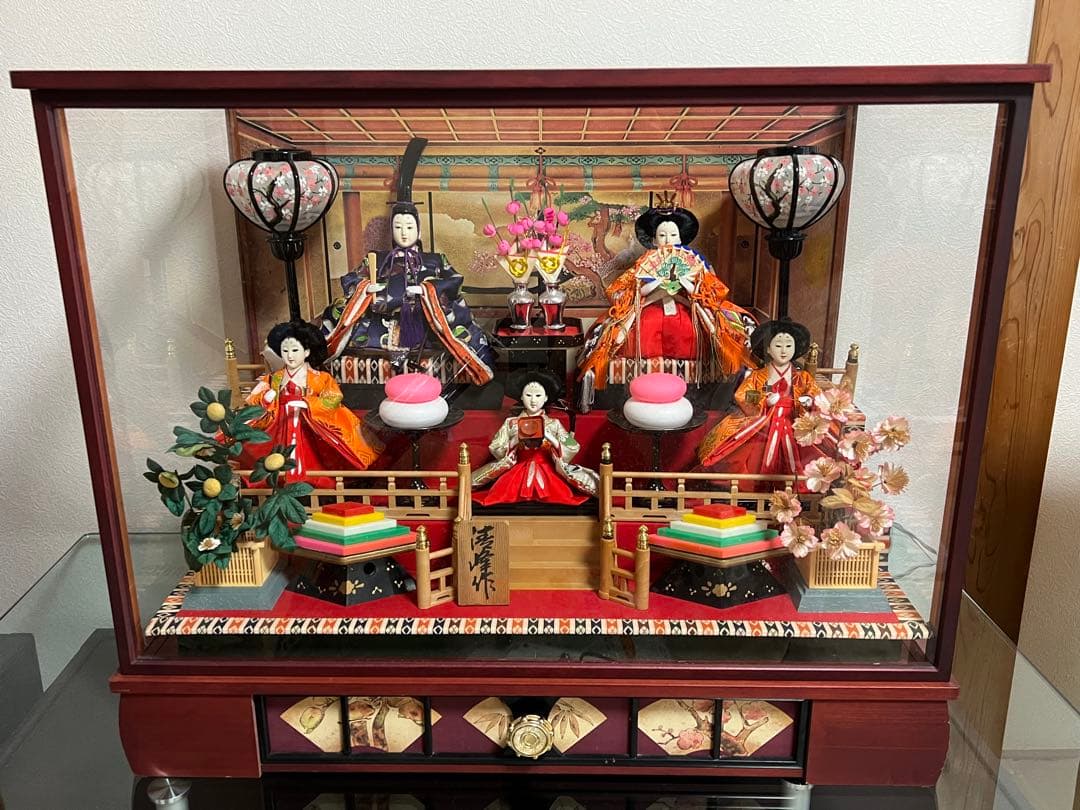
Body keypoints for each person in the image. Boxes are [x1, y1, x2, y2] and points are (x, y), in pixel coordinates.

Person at [321, 138, 495, 386]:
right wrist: (364, 288)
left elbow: (454, 281)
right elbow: (352, 280)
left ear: (419, 230)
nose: (404, 233)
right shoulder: (377, 259)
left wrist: (428, 290)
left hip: (425, 324)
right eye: (398, 227)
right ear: (391, 230)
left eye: (409, 227)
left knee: (458, 323)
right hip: (380, 325)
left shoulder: (434, 259)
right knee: (339, 313)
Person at [576, 196, 752, 410]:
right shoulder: (646, 261)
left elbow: (711, 290)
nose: (668, 239)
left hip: (688, 305)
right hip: (650, 304)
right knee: (621, 332)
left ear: (681, 237)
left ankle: (710, 397)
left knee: (713, 329)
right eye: (662, 235)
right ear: (654, 239)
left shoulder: (694, 259)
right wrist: (656, 283)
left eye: (673, 235)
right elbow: (633, 290)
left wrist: (686, 282)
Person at [697, 319, 830, 487]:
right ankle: (753, 484)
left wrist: (808, 401)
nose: (783, 351)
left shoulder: (802, 377)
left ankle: (796, 485)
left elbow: (816, 395)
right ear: (768, 348)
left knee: (804, 452)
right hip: (763, 421)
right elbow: (744, 394)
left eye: (789, 346)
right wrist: (763, 400)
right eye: (778, 345)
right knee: (743, 448)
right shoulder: (758, 376)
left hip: (793, 420)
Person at [245, 320, 383, 481]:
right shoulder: (274, 378)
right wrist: (266, 398)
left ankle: (316, 480)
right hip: (280, 422)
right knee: (264, 450)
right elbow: (254, 399)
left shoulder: (321, 378)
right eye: (285, 351)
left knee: (318, 454)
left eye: (295, 350)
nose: (290, 356)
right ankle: (280, 480)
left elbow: (334, 397)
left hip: (310, 424)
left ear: (307, 352)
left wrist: (308, 403)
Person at [472, 369, 598, 506]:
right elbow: (495, 445)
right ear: (521, 397)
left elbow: (572, 445)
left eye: (538, 395)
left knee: (560, 494)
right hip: (518, 469)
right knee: (503, 492)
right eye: (528, 395)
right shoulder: (511, 423)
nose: (533, 400)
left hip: (547, 469)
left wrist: (552, 439)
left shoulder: (554, 424)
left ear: (546, 398)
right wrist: (514, 441)